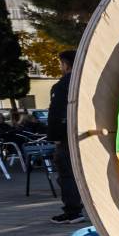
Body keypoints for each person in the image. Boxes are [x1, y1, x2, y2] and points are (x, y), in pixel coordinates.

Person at [48, 50, 85, 224]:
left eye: (61, 64)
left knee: (67, 173)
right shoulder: (86, 81)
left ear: (66, 64)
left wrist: (55, 135)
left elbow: (56, 113)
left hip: (67, 136)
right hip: (87, 133)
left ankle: (73, 210)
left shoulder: (62, 85)